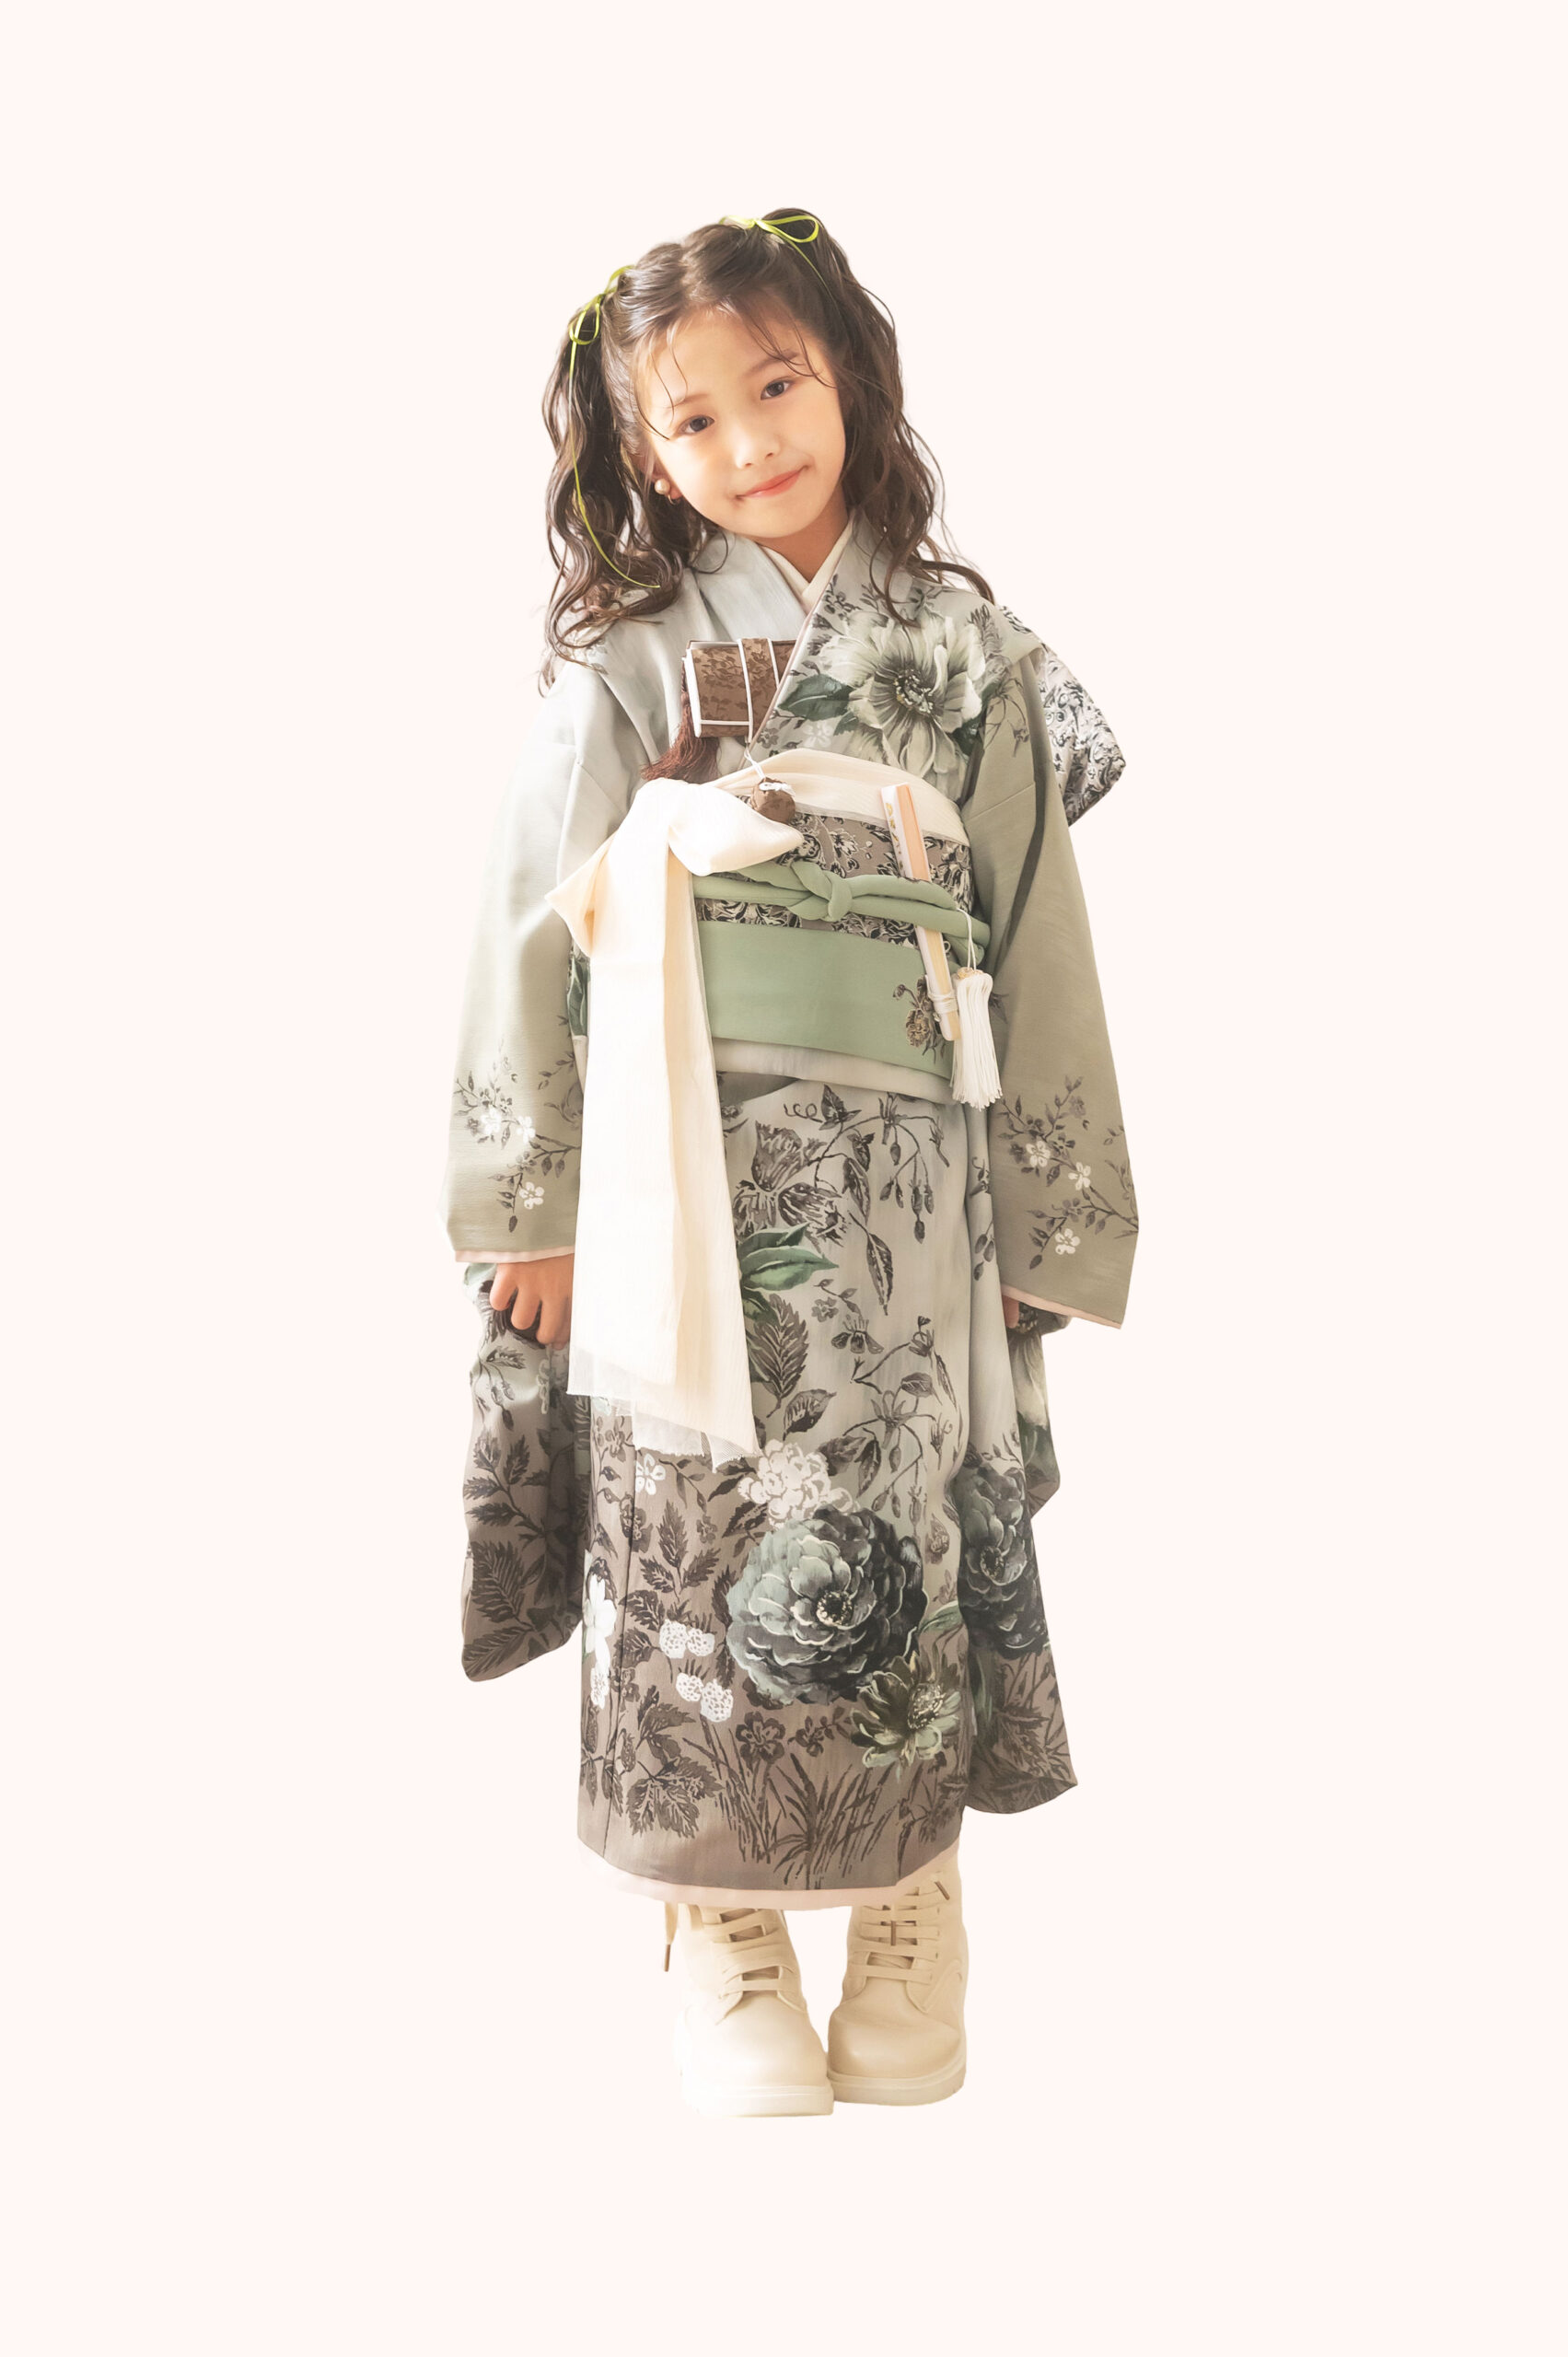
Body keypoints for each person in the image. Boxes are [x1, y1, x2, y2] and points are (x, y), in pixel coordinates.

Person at [442, 209, 1137, 2115]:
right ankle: (714, 1921)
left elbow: (1037, 928)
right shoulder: (626, 664)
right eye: (695, 421)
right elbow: (524, 929)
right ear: (641, 453)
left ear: (851, 377)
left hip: (912, 1181)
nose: (750, 443)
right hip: (673, 1162)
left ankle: (910, 1895)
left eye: (778, 385)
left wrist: (1054, 1208)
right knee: (686, 1517)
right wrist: (535, 1204)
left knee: (902, 1504)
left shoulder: (963, 649)